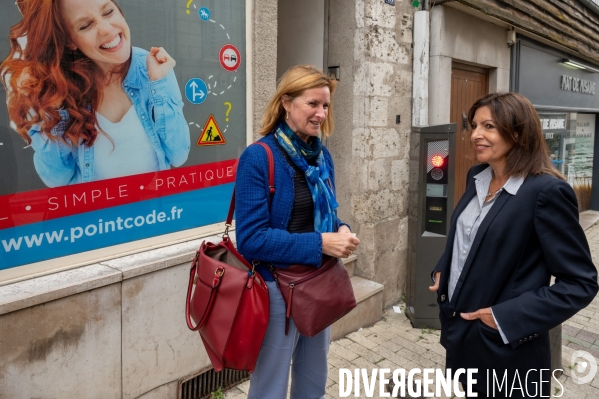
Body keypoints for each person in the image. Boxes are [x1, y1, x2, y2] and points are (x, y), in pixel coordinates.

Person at [429, 92, 598, 397]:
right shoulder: (477, 176)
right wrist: (443, 268)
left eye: (489, 126)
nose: (476, 135)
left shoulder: (547, 192)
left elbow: (580, 283)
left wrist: (504, 319)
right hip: (462, 337)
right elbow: (469, 235)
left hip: (507, 354)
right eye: (474, 125)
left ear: (518, 133)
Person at [235, 65, 360, 399]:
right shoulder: (258, 157)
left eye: (326, 106)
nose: (321, 114)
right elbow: (250, 239)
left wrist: (341, 228)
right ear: (286, 103)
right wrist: (322, 242)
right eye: (312, 104)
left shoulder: (322, 156)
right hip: (278, 289)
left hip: (320, 283)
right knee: (271, 387)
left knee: (312, 381)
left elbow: (325, 213)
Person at [0, 0, 190, 188]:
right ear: (70, 41)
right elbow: (57, 180)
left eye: (108, 12)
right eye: (85, 25)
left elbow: (178, 155)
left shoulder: (152, 69)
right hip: (96, 217)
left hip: (157, 212)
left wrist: (159, 83)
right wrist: (47, 110)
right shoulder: (59, 90)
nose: (106, 29)